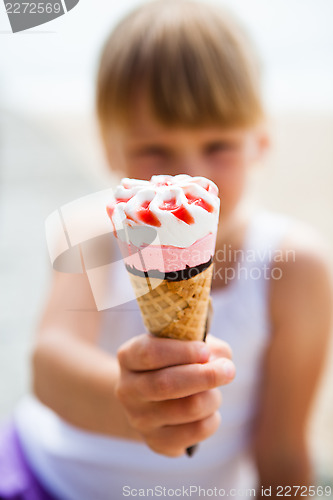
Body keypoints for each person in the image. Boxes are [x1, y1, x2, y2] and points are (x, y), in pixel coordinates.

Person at [0, 1, 331, 499]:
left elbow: (281, 449)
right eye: (154, 150)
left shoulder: (296, 268)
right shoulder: (91, 229)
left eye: (218, 144)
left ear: (261, 141)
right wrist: (129, 398)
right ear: (111, 149)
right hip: (48, 479)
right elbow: (50, 365)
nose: (189, 174)